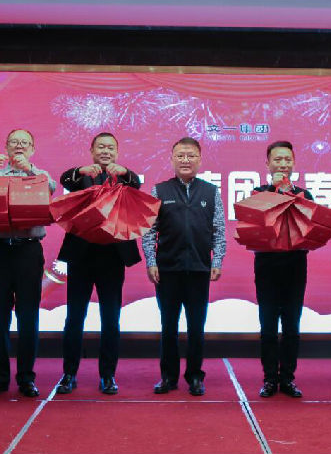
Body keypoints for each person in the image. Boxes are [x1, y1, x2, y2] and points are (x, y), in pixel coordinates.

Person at [55, 132, 142, 396]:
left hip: (112, 257)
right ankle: (69, 374)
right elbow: (64, 179)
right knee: (74, 317)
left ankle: (108, 375)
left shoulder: (125, 177)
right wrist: (80, 170)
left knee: (111, 319)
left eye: (110, 148)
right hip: (81, 256)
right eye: (101, 147)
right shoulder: (81, 176)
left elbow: (137, 184)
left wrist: (125, 172)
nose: (106, 151)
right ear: (92, 151)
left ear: (117, 152)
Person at [142, 136, 226, 397]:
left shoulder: (211, 191)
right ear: (172, 160)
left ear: (200, 160)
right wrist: (151, 261)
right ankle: (168, 377)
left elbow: (219, 230)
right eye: (180, 155)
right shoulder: (160, 191)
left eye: (191, 155)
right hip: (167, 270)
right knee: (168, 326)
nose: (185, 160)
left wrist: (217, 260)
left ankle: (195, 377)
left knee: (196, 327)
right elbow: (149, 231)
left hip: (199, 269)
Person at [0, 129, 57, 398]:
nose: (19, 146)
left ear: (32, 149)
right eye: (14, 142)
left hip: (28, 251)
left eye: (25, 143)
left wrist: (29, 171)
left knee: (28, 315)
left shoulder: (39, 174)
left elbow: (50, 188)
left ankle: (26, 378)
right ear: (6, 146)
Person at [252, 141, 313, 398]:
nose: (283, 164)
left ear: (294, 163)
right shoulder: (258, 193)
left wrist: (288, 193)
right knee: (268, 327)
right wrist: (274, 192)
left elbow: (311, 227)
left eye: (287, 160)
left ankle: (287, 378)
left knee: (291, 327)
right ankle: (269, 379)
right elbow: (254, 224)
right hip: (266, 266)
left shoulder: (305, 195)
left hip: (295, 265)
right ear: (268, 164)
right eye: (277, 160)